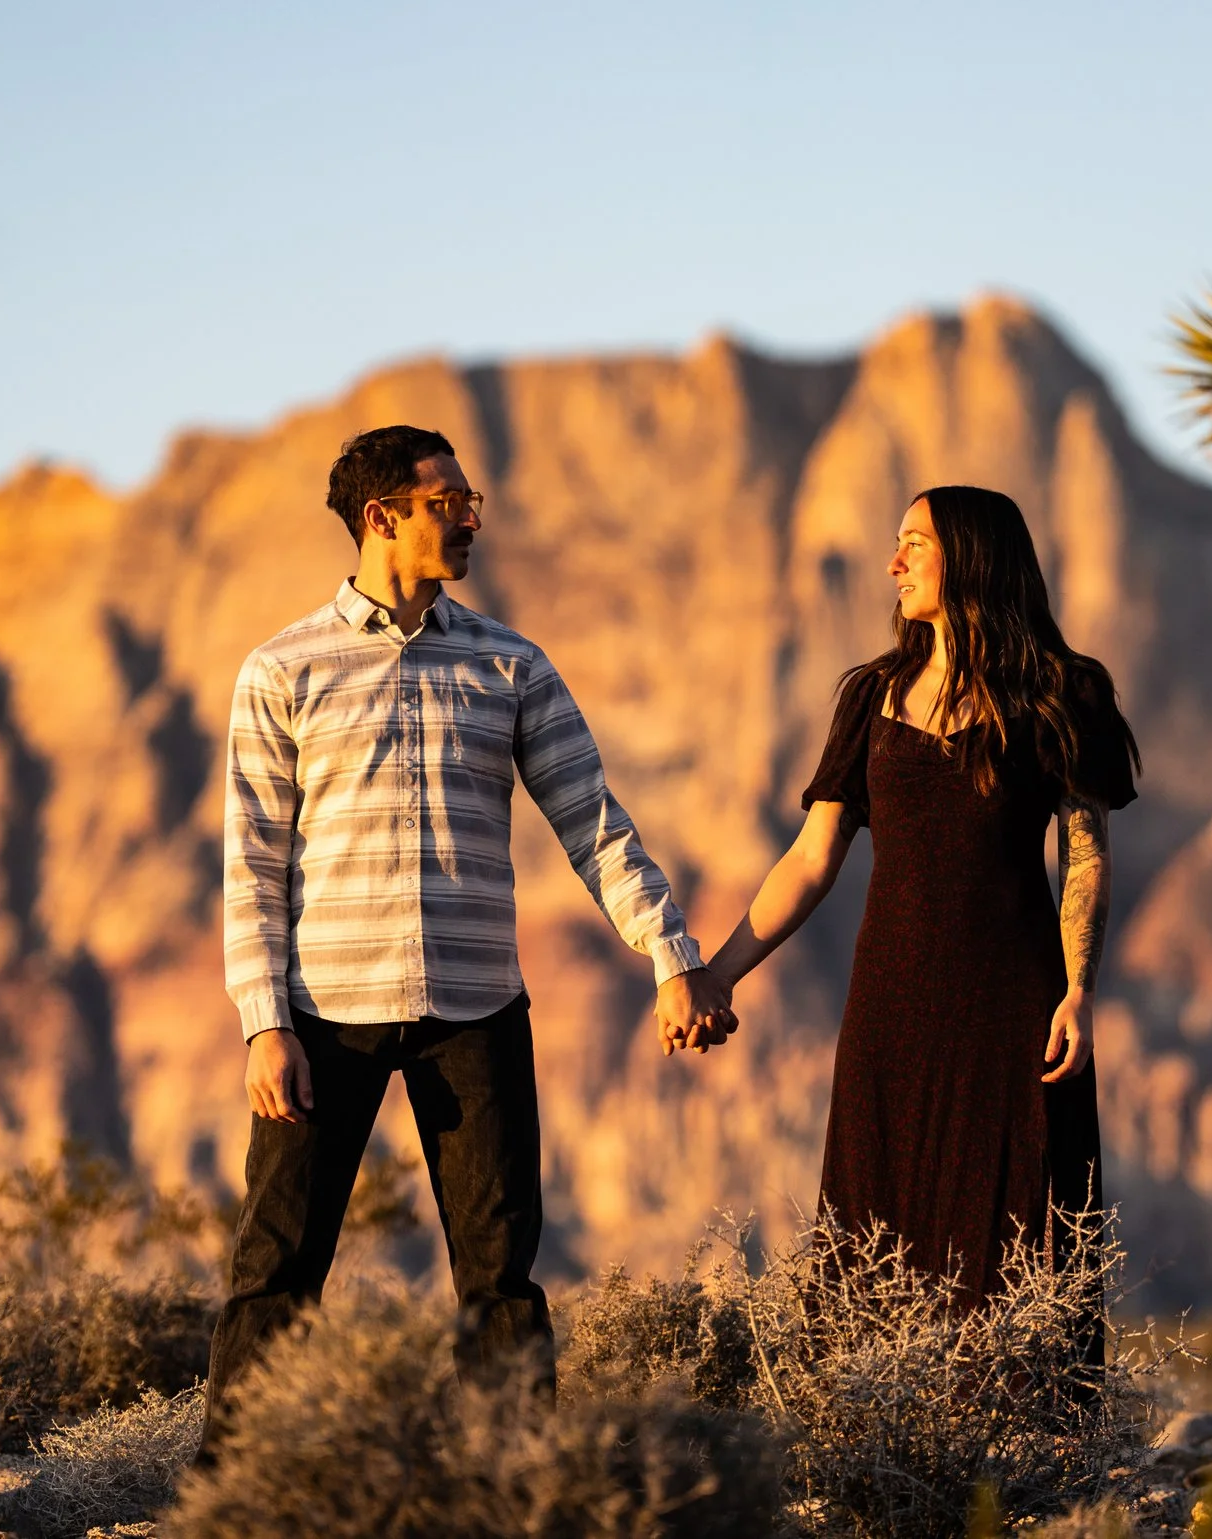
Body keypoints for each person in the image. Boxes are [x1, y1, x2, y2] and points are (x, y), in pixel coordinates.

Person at [200, 424, 736, 1457]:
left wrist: (670, 950)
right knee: (274, 1274)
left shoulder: (510, 664)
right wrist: (264, 1023)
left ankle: (515, 1490)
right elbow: (253, 865)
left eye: (468, 495)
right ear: (382, 516)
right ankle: (228, 1499)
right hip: (323, 1019)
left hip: (478, 1008)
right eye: (448, 498)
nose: (470, 514)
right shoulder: (282, 669)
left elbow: (591, 819)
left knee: (499, 1282)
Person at [703, 485, 1137, 1305]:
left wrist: (1079, 991)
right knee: (877, 1241)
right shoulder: (871, 695)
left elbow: (1085, 856)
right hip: (889, 1013)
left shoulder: (1064, 692)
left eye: (915, 543)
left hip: (1018, 1014)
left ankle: (1032, 1436)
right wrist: (719, 972)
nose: (892, 561)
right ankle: (877, 1433)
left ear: (970, 557)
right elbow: (811, 857)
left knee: (1021, 1240)